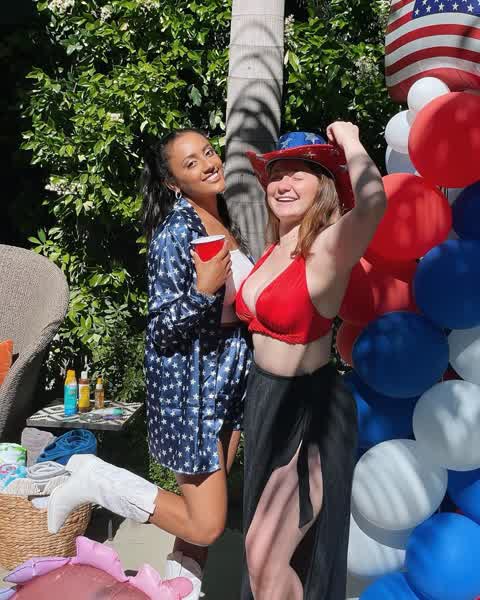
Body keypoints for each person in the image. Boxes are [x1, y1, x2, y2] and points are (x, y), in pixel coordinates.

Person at [47, 129, 254, 599]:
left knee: (200, 511)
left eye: (208, 152)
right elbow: (161, 329)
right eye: (191, 163)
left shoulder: (223, 219)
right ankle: (97, 479)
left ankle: (180, 590)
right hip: (191, 391)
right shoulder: (176, 234)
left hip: (225, 385)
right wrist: (202, 291)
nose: (208, 163)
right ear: (173, 183)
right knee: (206, 524)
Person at [235, 123, 387, 600]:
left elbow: (373, 203)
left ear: (321, 186)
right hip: (265, 403)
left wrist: (352, 141)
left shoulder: (325, 248)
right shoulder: (272, 249)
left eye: (298, 174)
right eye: (276, 174)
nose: (283, 184)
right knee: (266, 555)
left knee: (264, 554)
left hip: (310, 410)